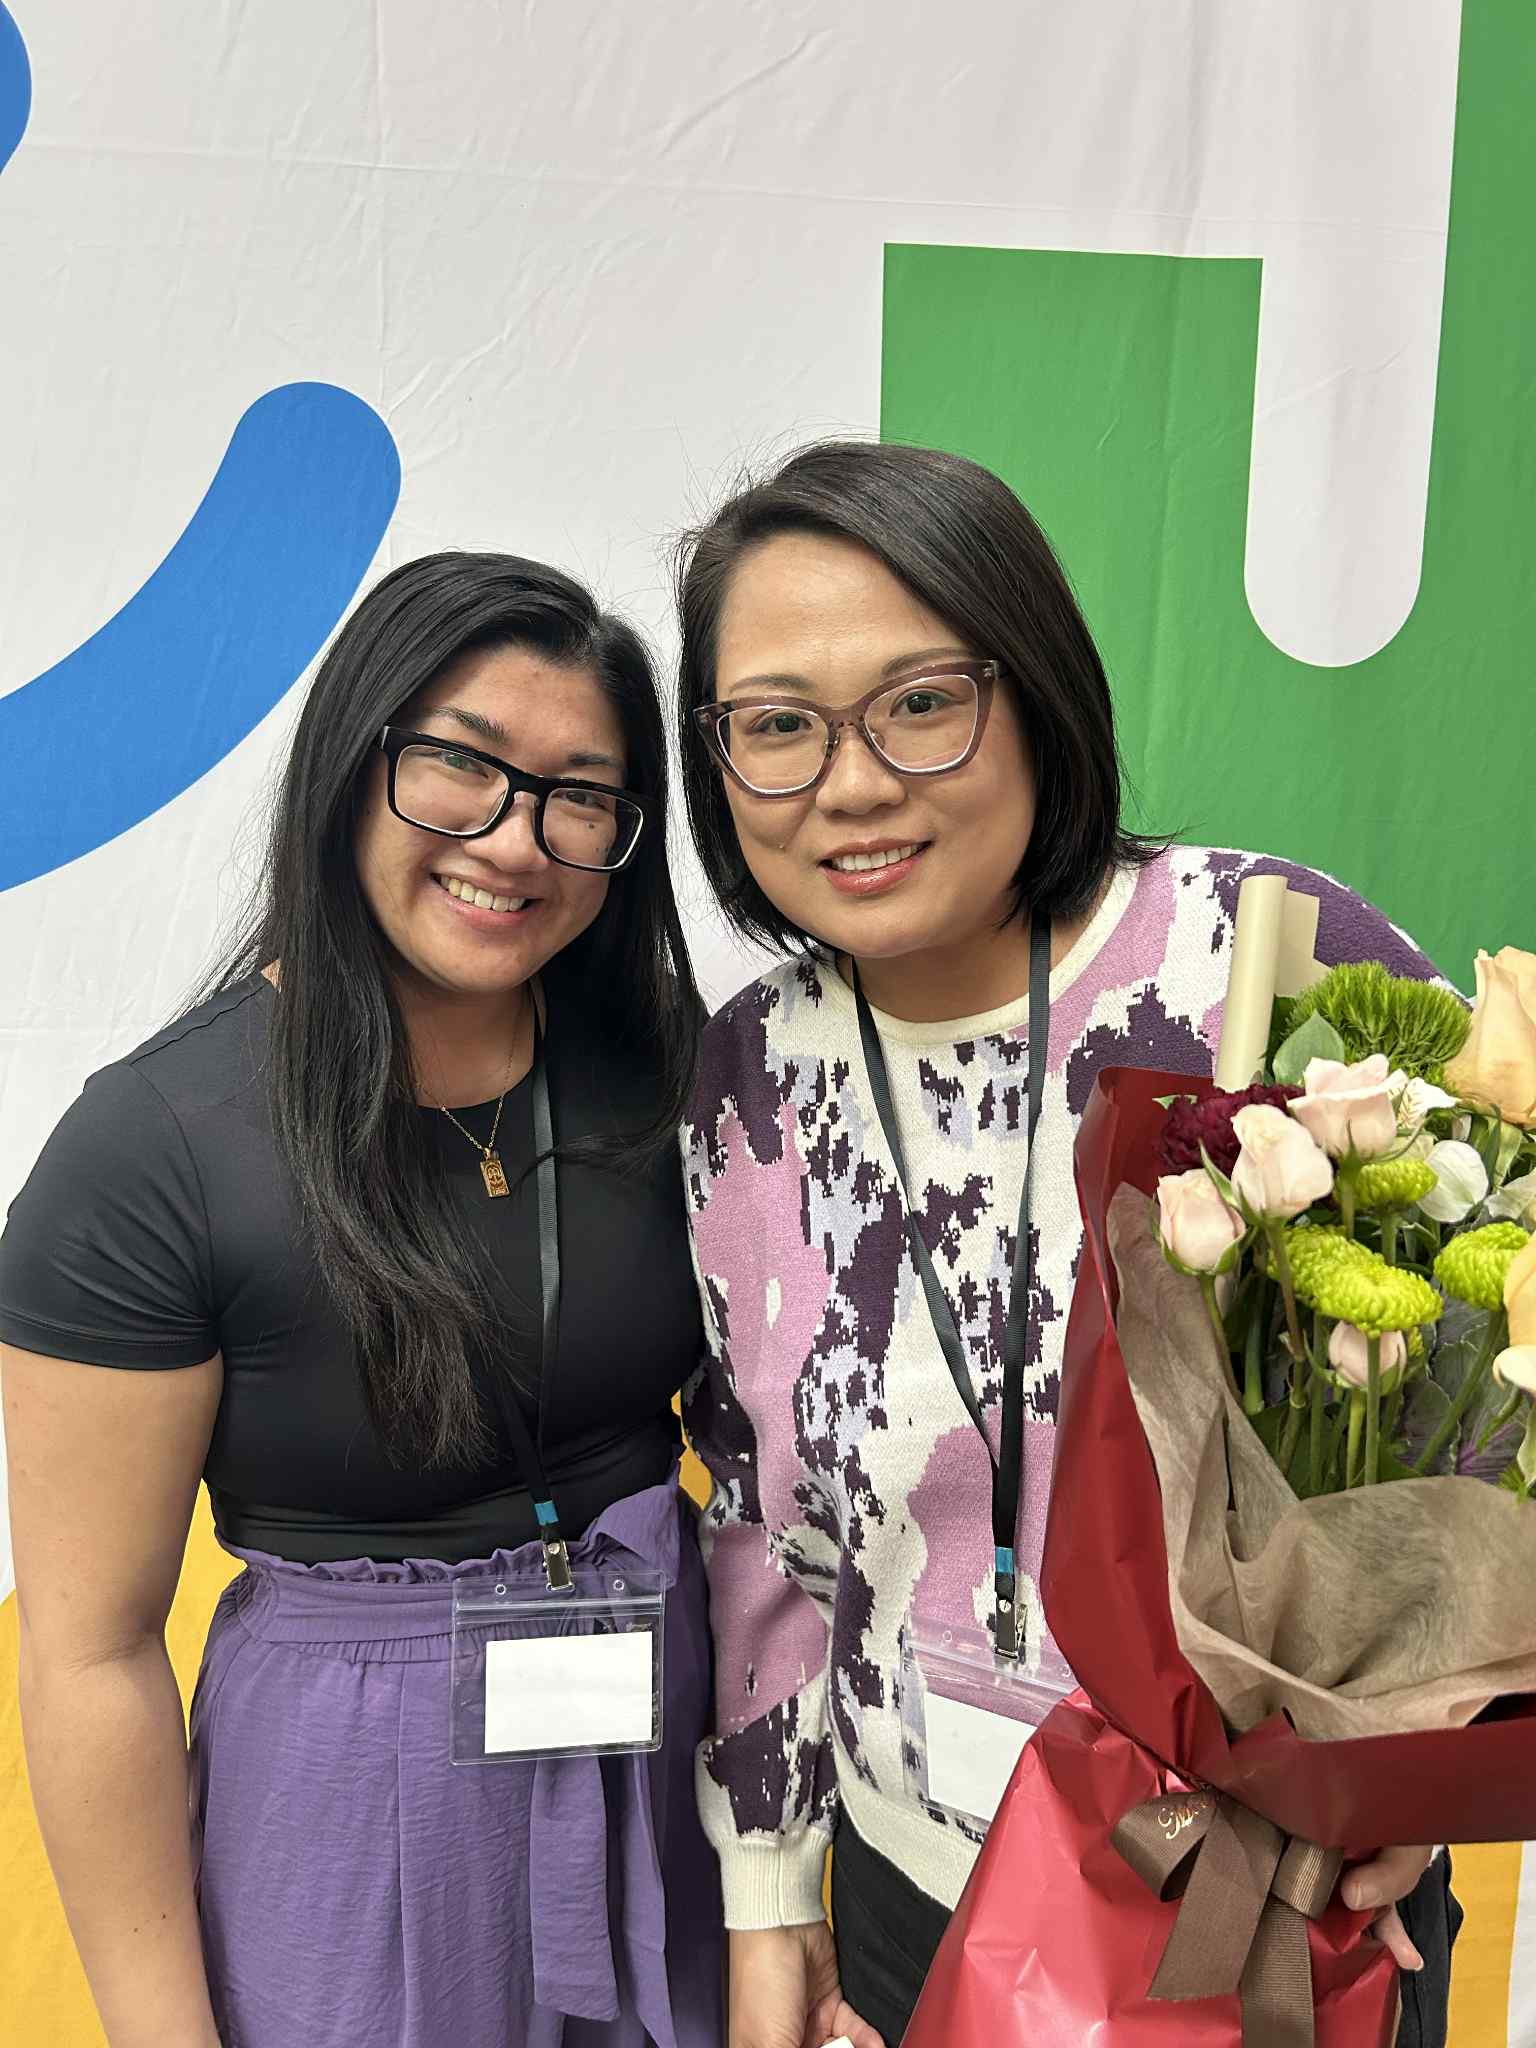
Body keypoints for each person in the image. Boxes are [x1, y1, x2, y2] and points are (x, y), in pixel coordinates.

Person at [671, 442, 1460, 2048]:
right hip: (914, 1897)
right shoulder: (752, 1070)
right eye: (775, 727)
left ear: (1035, 692)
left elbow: (1475, 1420)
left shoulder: (1264, 961)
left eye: (920, 701)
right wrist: (772, 1901)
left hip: (1266, 1893)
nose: (851, 783)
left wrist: (1426, 1756)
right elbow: (767, 1520)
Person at [0, 553, 723, 2048]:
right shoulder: (153, 1147)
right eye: (459, 765)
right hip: (349, 1806)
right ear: (353, 762)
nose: (512, 842)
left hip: (655, 1760)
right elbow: (89, 1649)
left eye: (578, 795)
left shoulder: (658, 1070)